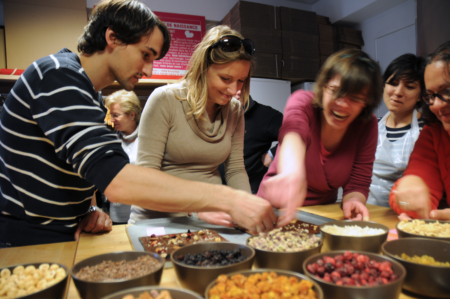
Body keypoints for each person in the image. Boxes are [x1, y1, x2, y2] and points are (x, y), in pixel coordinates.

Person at [0, 0, 276, 247]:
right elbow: (117, 180)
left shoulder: (90, 96)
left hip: (59, 231)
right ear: (113, 38)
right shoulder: (57, 75)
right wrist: (227, 199)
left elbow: (65, 171)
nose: (149, 70)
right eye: (146, 54)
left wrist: (84, 211)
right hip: (26, 235)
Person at [129, 25, 260, 226]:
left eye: (241, 81)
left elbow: (234, 170)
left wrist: (247, 208)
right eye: (225, 79)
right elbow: (146, 181)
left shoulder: (234, 110)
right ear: (203, 68)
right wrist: (196, 209)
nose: (234, 90)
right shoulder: (165, 100)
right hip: (159, 221)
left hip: (210, 218)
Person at [258, 49, 382, 225]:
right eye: (335, 90)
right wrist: (292, 172)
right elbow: (293, 134)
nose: (342, 104)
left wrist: (353, 201)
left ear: (367, 102)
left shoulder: (367, 125)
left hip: (322, 216)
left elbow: (358, 183)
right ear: (323, 86)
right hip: (274, 210)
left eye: (355, 98)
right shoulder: (303, 102)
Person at [389, 40, 450, 220]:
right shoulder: (433, 135)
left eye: (446, 91)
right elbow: (404, 198)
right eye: (430, 96)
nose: (437, 105)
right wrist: (408, 198)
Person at [367, 54, 426, 207]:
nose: (398, 92)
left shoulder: (427, 130)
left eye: (409, 86)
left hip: (406, 214)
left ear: (420, 95)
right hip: (366, 211)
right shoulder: (371, 127)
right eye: (393, 83)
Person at [219, 90, 283, 194]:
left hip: (249, 191)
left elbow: (297, 133)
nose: (238, 91)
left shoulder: (266, 115)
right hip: (215, 188)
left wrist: (272, 155)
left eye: (242, 84)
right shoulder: (215, 113)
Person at [104, 89, 142, 223]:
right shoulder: (111, 140)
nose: (112, 120)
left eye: (116, 115)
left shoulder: (148, 139)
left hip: (143, 214)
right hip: (118, 215)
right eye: (111, 115)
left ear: (132, 115)